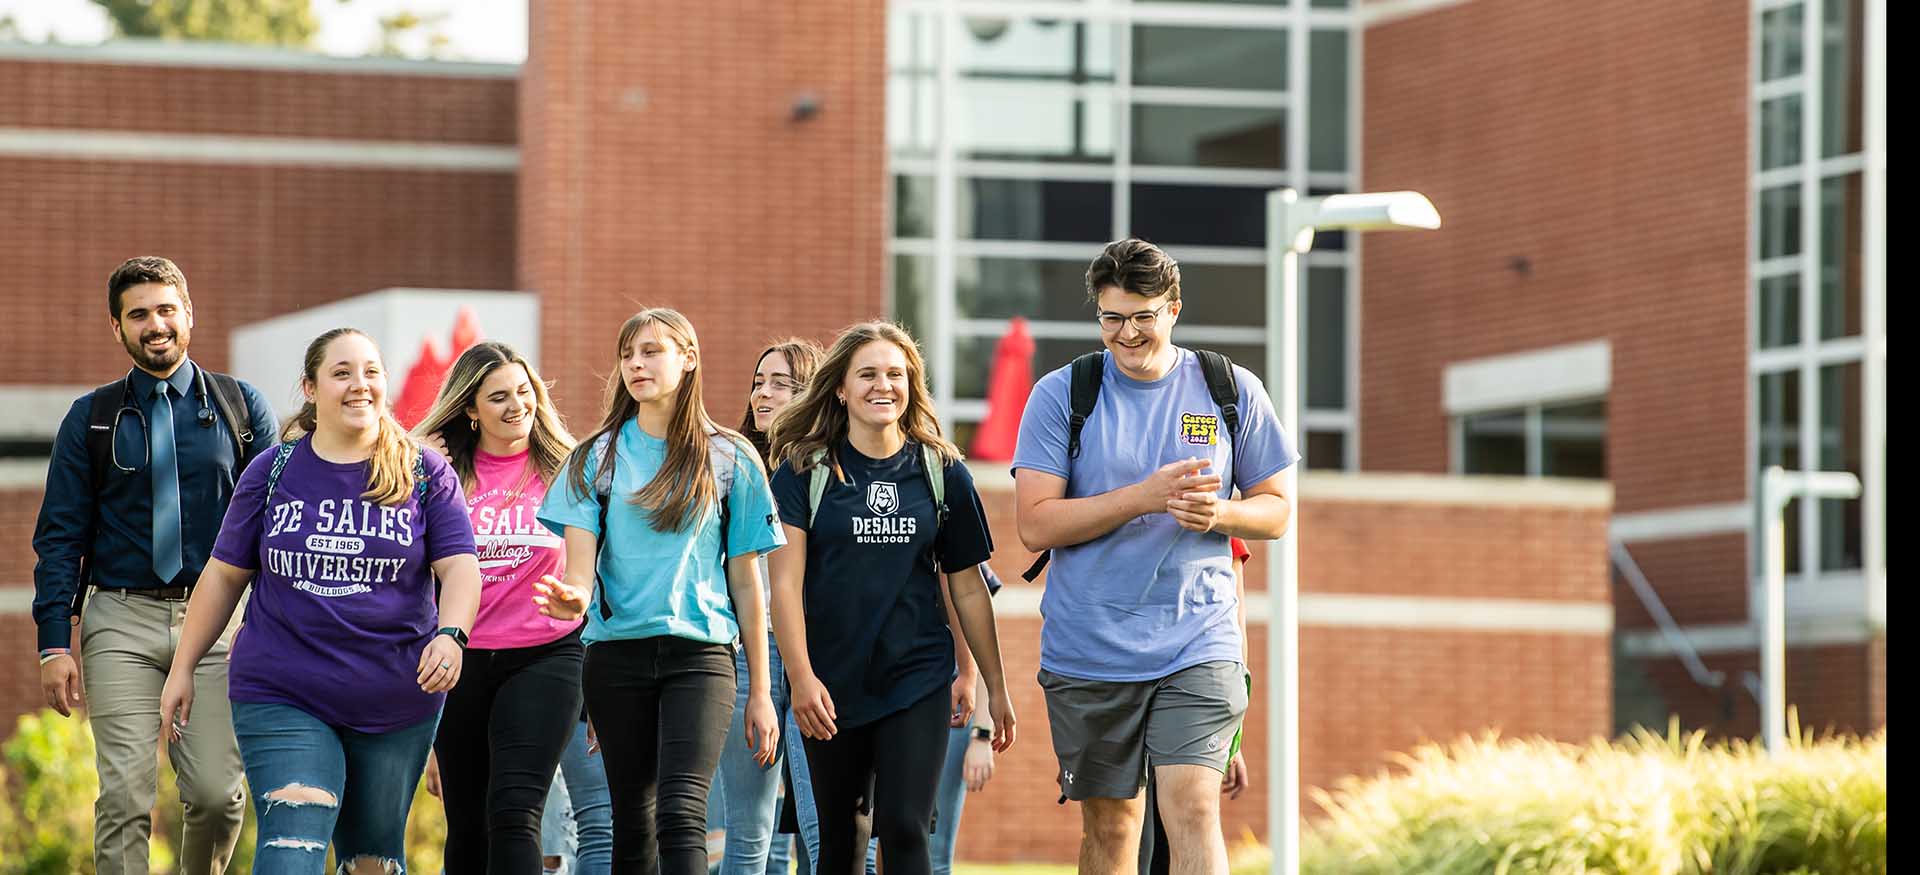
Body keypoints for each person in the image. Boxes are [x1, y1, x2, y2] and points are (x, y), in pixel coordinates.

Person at [1011, 239, 1296, 875]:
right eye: (1112, 318)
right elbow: (1034, 525)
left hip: (1199, 640)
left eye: (1142, 316)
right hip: (1089, 647)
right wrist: (1143, 497)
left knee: (1192, 806)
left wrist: (1220, 513)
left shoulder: (1228, 389)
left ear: (1173, 310)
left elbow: (1276, 509)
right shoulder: (1064, 395)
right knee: (1114, 826)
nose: (1127, 333)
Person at [158, 326, 482, 874]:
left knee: (371, 860)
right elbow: (223, 575)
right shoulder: (272, 471)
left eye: (371, 372)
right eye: (342, 373)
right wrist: (182, 667)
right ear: (310, 388)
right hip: (283, 687)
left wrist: (451, 636)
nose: (360, 385)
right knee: (292, 844)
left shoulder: (424, 473)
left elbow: (460, 568)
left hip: (395, 695)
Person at [30, 256, 277, 875]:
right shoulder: (91, 418)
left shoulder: (240, 407)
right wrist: (53, 644)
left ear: (188, 315)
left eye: (166, 310)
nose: (155, 324)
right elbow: (59, 536)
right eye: (138, 314)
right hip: (120, 620)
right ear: (118, 328)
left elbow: (279, 527)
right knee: (124, 797)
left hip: (221, 623)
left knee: (218, 798)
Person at [532, 307, 784, 875]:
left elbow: (748, 584)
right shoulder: (593, 459)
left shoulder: (732, 458)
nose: (636, 364)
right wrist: (573, 600)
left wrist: (762, 693)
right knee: (633, 822)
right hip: (615, 657)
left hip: (702, 658)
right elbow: (579, 571)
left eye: (651, 351)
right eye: (627, 354)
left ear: (688, 358)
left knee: (682, 811)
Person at [767, 320, 1016, 875]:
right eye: (868, 374)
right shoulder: (803, 471)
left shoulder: (941, 470)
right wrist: (802, 679)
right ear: (840, 388)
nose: (884, 385)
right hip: (830, 684)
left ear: (912, 384)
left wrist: (990, 686)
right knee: (840, 840)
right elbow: (783, 584)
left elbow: (968, 586)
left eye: (896, 374)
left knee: (905, 828)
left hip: (917, 677)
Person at [412, 341, 584, 874]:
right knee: (466, 819)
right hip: (460, 659)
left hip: (546, 657)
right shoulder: (441, 477)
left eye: (524, 392)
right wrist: (421, 446)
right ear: (469, 407)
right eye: (498, 397)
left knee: (514, 810)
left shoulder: (567, 469)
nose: (517, 406)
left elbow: (600, 567)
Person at [710, 338, 824, 875]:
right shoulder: (730, 468)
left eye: (781, 383)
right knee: (748, 829)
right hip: (744, 654)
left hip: (812, 654)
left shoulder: (831, 472)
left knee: (821, 821)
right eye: (759, 381)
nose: (763, 393)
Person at [1139, 539, 1254, 875]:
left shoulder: (1218, 512)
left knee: (1186, 826)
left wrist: (1232, 735)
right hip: (1121, 683)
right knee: (1126, 836)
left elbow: (1234, 622)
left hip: (1192, 692)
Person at [927, 565, 1005, 875]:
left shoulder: (948, 527)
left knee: (936, 853)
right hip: (881, 697)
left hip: (954, 705)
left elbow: (982, 645)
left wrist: (982, 733)